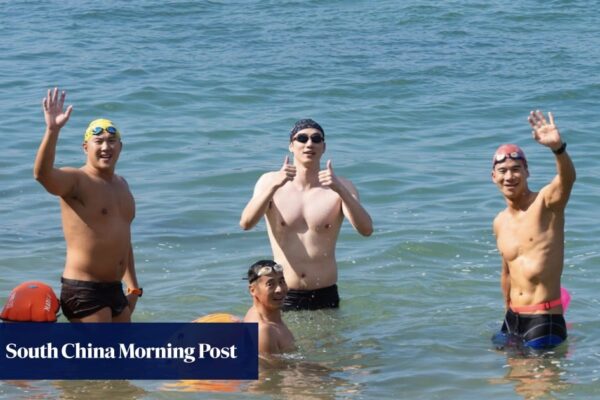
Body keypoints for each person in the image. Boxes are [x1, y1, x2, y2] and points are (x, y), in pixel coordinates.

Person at [240, 119, 373, 311]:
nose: (309, 144)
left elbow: (366, 230)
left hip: (325, 292)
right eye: (302, 138)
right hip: (282, 293)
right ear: (291, 146)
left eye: (316, 139)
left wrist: (340, 190)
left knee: (331, 342)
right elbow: (246, 223)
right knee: (280, 341)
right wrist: (274, 186)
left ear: (324, 147)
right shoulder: (269, 181)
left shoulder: (342, 186)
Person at [33, 88, 141, 322]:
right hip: (84, 290)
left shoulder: (122, 184)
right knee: (101, 357)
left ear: (120, 147)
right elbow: (42, 175)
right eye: (98, 141)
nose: (106, 147)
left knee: (123, 357)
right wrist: (53, 130)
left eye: (112, 141)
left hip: (116, 290)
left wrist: (133, 287)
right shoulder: (77, 180)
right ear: (85, 147)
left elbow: (124, 238)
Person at [491, 110, 576, 349]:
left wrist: (558, 148)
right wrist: (507, 309)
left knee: (535, 386)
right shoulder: (500, 221)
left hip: (544, 318)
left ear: (527, 172)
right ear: (493, 177)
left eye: (516, 169)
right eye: (503, 170)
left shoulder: (547, 203)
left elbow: (567, 179)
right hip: (513, 319)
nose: (510, 176)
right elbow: (507, 272)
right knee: (507, 381)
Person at [243, 260, 295, 355]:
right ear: (252, 290)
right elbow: (272, 370)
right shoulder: (264, 331)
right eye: (270, 284)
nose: (279, 289)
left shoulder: (256, 312)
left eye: (281, 281)